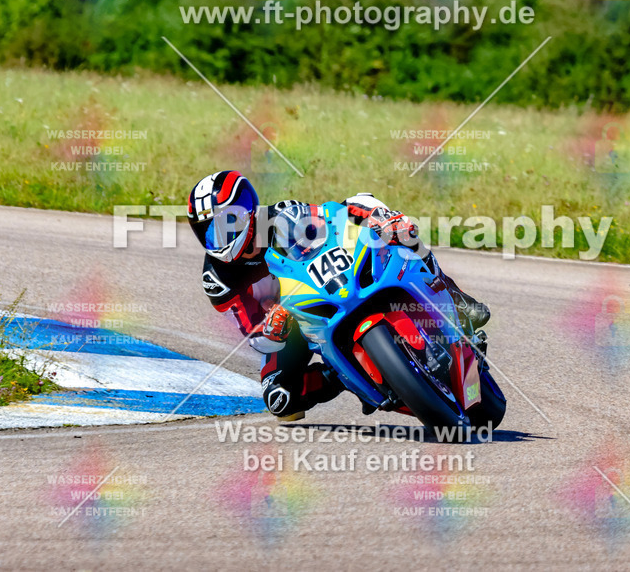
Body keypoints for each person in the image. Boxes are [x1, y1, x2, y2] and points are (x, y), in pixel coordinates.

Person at [187, 170, 490, 421]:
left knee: (397, 229)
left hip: (328, 284)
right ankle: (338, 374)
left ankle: (456, 297)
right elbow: (253, 335)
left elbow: (338, 217)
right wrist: (271, 324)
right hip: (291, 324)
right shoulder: (218, 280)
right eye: (209, 231)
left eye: (228, 222)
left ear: (247, 210)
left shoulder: (280, 216)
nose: (220, 237)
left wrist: (380, 219)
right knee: (280, 400)